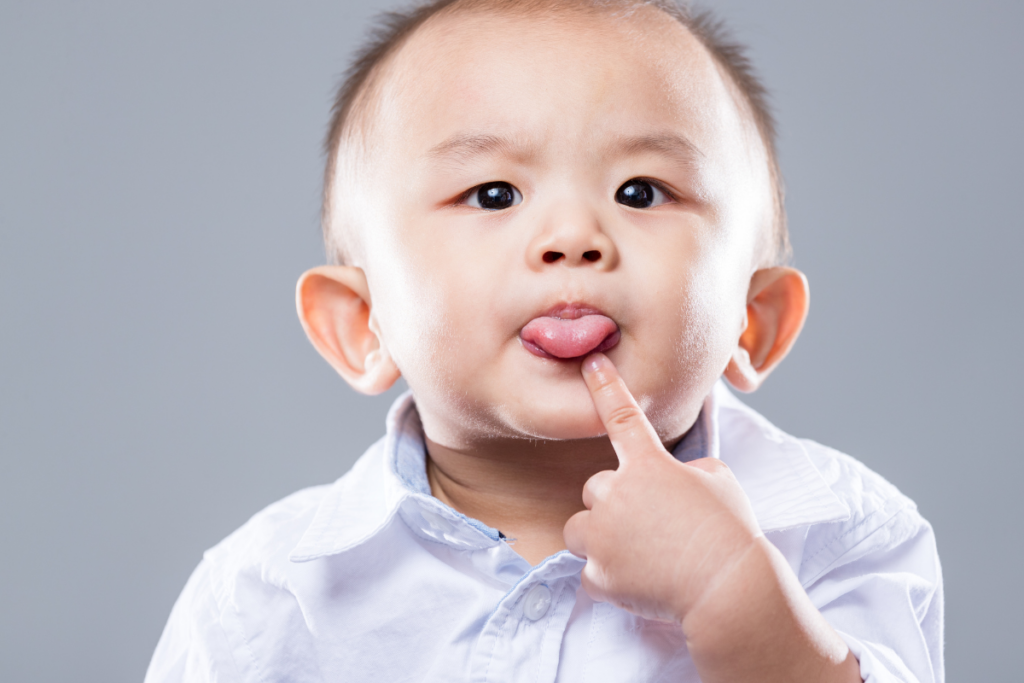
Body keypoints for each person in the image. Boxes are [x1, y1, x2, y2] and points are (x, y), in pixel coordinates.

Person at [145, 1, 943, 681]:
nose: (572, 235)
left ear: (753, 321)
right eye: (493, 194)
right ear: (362, 327)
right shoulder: (269, 594)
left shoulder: (839, 532)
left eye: (642, 191)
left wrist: (735, 593)